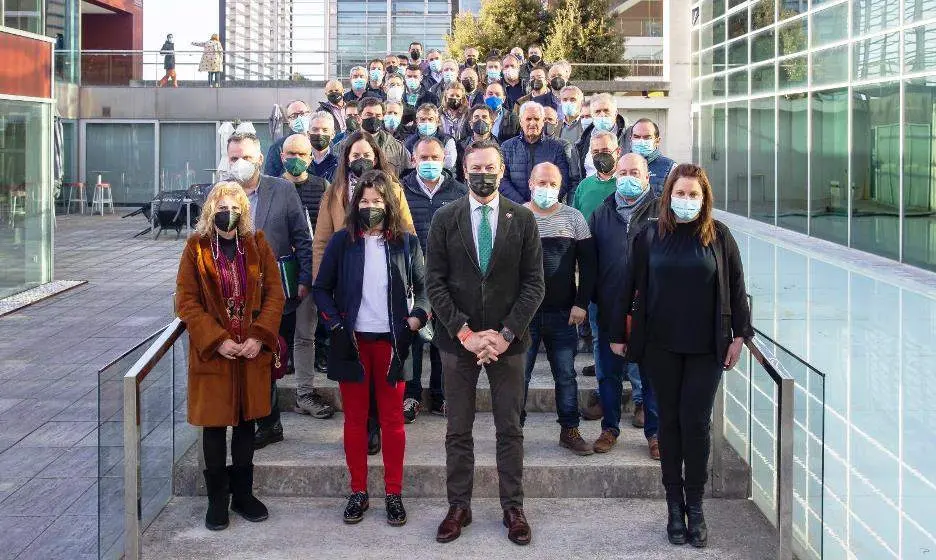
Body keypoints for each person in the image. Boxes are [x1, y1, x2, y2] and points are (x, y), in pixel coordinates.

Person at [613, 163, 753, 548]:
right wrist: (615, 334)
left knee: (696, 423)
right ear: (668, 196)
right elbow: (629, 286)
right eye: (680, 194)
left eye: (694, 195)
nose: (686, 201)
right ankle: (674, 508)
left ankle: (697, 506)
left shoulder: (719, 237)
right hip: (660, 345)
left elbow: (737, 287)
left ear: (704, 198)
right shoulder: (649, 236)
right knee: (669, 424)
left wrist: (741, 334)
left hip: (706, 348)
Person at [427, 140, 545, 546]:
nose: (483, 174)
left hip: (508, 343)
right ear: (463, 170)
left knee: (509, 429)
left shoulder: (523, 219)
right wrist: (466, 333)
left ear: (501, 171)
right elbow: (435, 283)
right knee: (458, 429)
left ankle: (513, 506)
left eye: (490, 167)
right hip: (457, 342)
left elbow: (534, 283)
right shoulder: (445, 217)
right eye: (475, 167)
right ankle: (459, 505)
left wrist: (505, 332)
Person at [314, 169, 428, 526]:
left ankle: (393, 493)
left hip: (393, 344)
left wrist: (416, 319)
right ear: (354, 204)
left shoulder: (406, 243)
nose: (370, 206)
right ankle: (358, 491)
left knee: (393, 422)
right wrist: (333, 322)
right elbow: (321, 289)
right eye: (363, 201)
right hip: (354, 344)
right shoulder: (341, 242)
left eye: (377, 200)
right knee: (355, 421)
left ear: (389, 204)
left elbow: (424, 289)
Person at [176, 181, 284, 531]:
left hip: (250, 352)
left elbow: (274, 296)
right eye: (222, 207)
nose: (229, 214)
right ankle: (217, 501)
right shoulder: (196, 247)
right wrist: (217, 339)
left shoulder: (256, 244)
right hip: (214, 354)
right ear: (210, 209)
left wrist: (259, 335)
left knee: (245, 423)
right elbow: (186, 301)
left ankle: (243, 495)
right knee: (213, 426)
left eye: (236, 208)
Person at [223, 133, 313, 450]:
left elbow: (302, 238)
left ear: (260, 159)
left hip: (273, 292)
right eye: (234, 157)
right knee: (248, 358)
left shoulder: (283, 190)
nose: (239, 164)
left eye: (246, 157)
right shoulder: (220, 193)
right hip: (233, 296)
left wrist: (304, 279)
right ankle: (265, 420)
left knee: (264, 356)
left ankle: (268, 422)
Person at [520, 162, 595, 456]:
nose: (546, 188)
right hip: (524, 316)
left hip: (563, 314)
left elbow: (589, 265)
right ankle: (515, 433)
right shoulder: (516, 215)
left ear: (561, 186)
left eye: (553, 184)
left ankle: (570, 430)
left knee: (565, 375)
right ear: (530, 182)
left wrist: (581, 303)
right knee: (519, 376)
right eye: (542, 182)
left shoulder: (574, 218)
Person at [588, 153, 660, 458]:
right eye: (624, 172)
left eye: (636, 172)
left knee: (653, 376)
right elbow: (590, 263)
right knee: (608, 372)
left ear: (647, 178)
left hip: (652, 310)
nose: (629, 177)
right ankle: (610, 428)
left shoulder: (663, 214)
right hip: (610, 308)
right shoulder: (601, 214)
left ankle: (656, 434)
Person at [400, 137, 468, 422]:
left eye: (435, 157)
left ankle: (441, 396)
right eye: (423, 157)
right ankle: (411, 396)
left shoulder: (460, 192)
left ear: (444, 160)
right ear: (413, 160)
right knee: (413, 337)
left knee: (444, 337)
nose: (429, 163)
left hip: (448, 277)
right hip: (411, 277)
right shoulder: (400, 191)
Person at [276, 134, 337, 419]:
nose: (296, 159)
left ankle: (303, 392)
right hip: (275, 276)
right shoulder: (271, 188)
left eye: (302, 154)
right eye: (290, 154)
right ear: (281, 156)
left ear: (311, 157)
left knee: (305, 335)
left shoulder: (323, 186)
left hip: (309, 273)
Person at [571, 131, 622, 418]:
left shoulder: (627, 185)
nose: (601, 154)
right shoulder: (584, 187)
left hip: (627, 280)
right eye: (596, 150)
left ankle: (640, 400)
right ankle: (605, 398)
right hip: (595, 278)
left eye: (606, 149)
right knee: (601, 342)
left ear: (617, 151)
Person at [499, 102, 574, 203]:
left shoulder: (556, 148)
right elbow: (502, 180)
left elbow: (563, 179)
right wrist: (523, 205)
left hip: (547, 208)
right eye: (528, 119)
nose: (533, 123)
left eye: (537, 119)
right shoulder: (507, 147)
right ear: (521, 122)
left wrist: (544, 201)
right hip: (515, 208)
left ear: (543, 122)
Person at [337, 98, 411, 177]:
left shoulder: (396, 147)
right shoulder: (344, 145)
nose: (374, 118)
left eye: (378, 115)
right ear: (359, 118)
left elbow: (407, 175)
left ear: (383, 117)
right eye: (369, 114)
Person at [574, 93, 630, 179]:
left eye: (606, 110)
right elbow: (577, 175)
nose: (602, 115)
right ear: (592, 115)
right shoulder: (583, 140)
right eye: (597, 111)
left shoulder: (630, 136)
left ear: (615, 113)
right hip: (590, 189)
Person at [631, 118, 677, 196]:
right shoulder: (622, 165)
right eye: (637, 137)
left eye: (647, 137)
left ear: (657, 141)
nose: (641, 141)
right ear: (631, 139)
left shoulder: (670, 167)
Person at [404, 104, 457, 171]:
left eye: (430, 119)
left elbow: (449, 164)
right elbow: (408, 165)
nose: (426, 122)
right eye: (422, 119)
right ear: (417, 121)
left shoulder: (447, 141)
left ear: (437, 121)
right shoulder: (409, 142)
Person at [455, 104, 497, 182]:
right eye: (476, 117)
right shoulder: (460, 145)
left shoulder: (501, 146)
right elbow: (458, 174)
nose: (480, 120)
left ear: (492, 124)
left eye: (484, 117)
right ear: (471, 124)